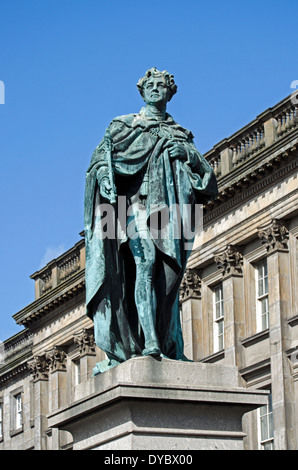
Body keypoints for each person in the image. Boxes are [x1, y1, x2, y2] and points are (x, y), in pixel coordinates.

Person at [84, 68, 218, 374]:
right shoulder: (123, 127)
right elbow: (99, 163)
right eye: (151, 85)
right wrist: (104, 177)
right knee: (143, 266)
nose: (156, 89)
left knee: (169, 280)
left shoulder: (181, 135)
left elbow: (209, 185)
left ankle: (166, 341)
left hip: (171, 214)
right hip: (133, 209)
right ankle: (151, 343)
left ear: (170, 93)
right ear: (142, 91)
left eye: (162, 86)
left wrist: (190, 156)